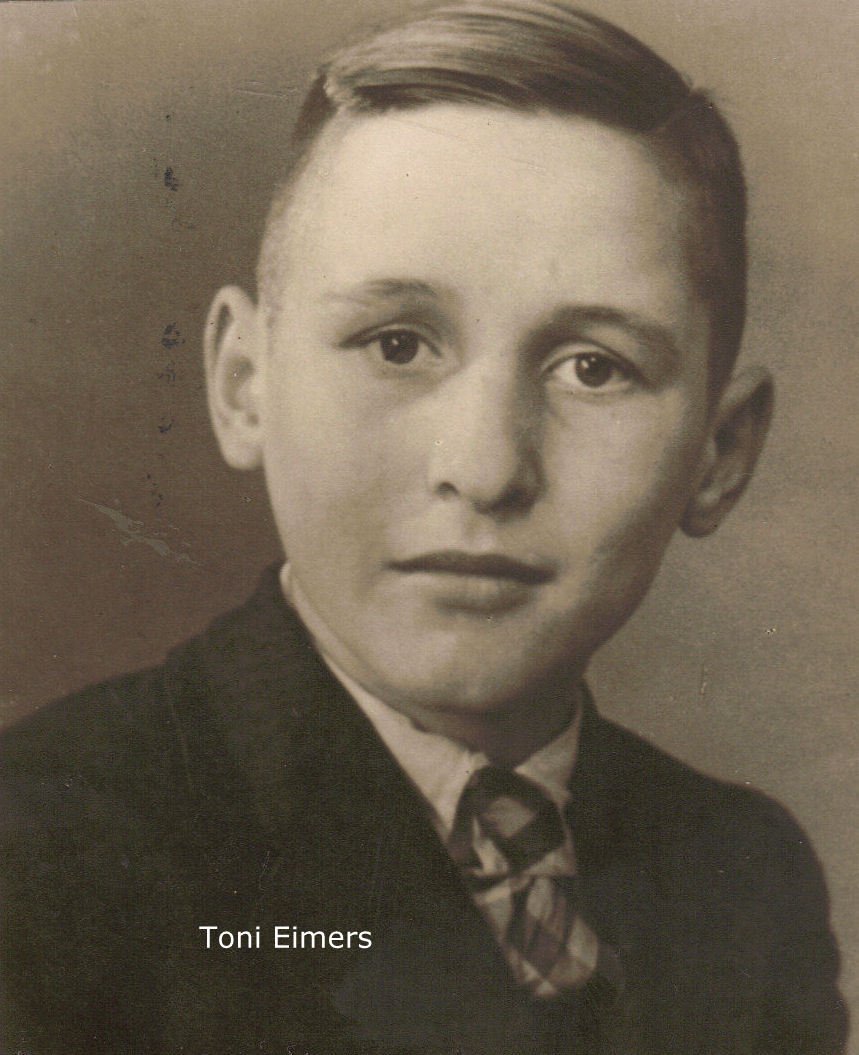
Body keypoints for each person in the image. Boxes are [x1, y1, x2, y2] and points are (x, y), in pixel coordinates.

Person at [0, 2, 847, 1052]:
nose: (485, 469)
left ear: (718, 454)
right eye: (397, 344)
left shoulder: (741, 871)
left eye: (593, 367)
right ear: (243, 384)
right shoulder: (44, 855)